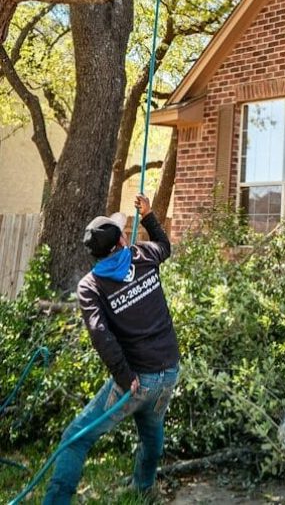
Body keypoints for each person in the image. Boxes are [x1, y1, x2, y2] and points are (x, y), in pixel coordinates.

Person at [43, 194, 179, 504]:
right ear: (120, 239)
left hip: (135, 381)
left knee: (74, 439)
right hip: (169, 371)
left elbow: (101, 335)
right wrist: (148, 216)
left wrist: (124, 376)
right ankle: (145, 490)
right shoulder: (143, 255)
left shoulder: (90, 286)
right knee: (151, 431)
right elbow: (165, 247)